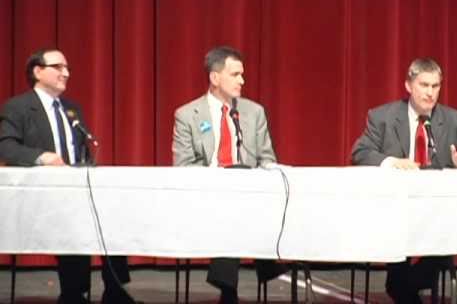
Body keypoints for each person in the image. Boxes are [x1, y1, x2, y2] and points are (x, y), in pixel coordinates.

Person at [0, 49, 139, 304]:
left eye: (68, 68)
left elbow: (80, 151)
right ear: (37, 71)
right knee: (72, 219)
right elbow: (6, 147)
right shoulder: (18, 107)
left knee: (113, 212)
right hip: (40, 193)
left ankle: (115, 290)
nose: (66, 73)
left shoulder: (71, 109)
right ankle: (74, 294)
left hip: (74, 188)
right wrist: (43, 157)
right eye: (58, 66)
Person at [351, 57, 457, 303]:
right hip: (395, 212)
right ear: (409, 86)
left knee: (407, 278)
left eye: (435, 86)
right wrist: (392, 161)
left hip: (439, 214)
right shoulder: (383, 117)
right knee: (401, 272)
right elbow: (359, 152)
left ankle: (400, 284)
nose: (430, 93)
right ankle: (402, 285)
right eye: (424, 85)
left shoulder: (454, 120)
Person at [172, 46, 287, 303]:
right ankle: (256, 270)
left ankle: (227, 286)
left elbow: (267, 158)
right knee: (230, 205)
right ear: (215, 78)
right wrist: (218, 178)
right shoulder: (187, 115)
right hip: (208, 195)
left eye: (242, 75)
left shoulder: (253, 112)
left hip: (249, 193)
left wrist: (261, 175)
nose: (242, 81)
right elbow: (182, 166)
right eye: (235, 74)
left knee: (242, 203)